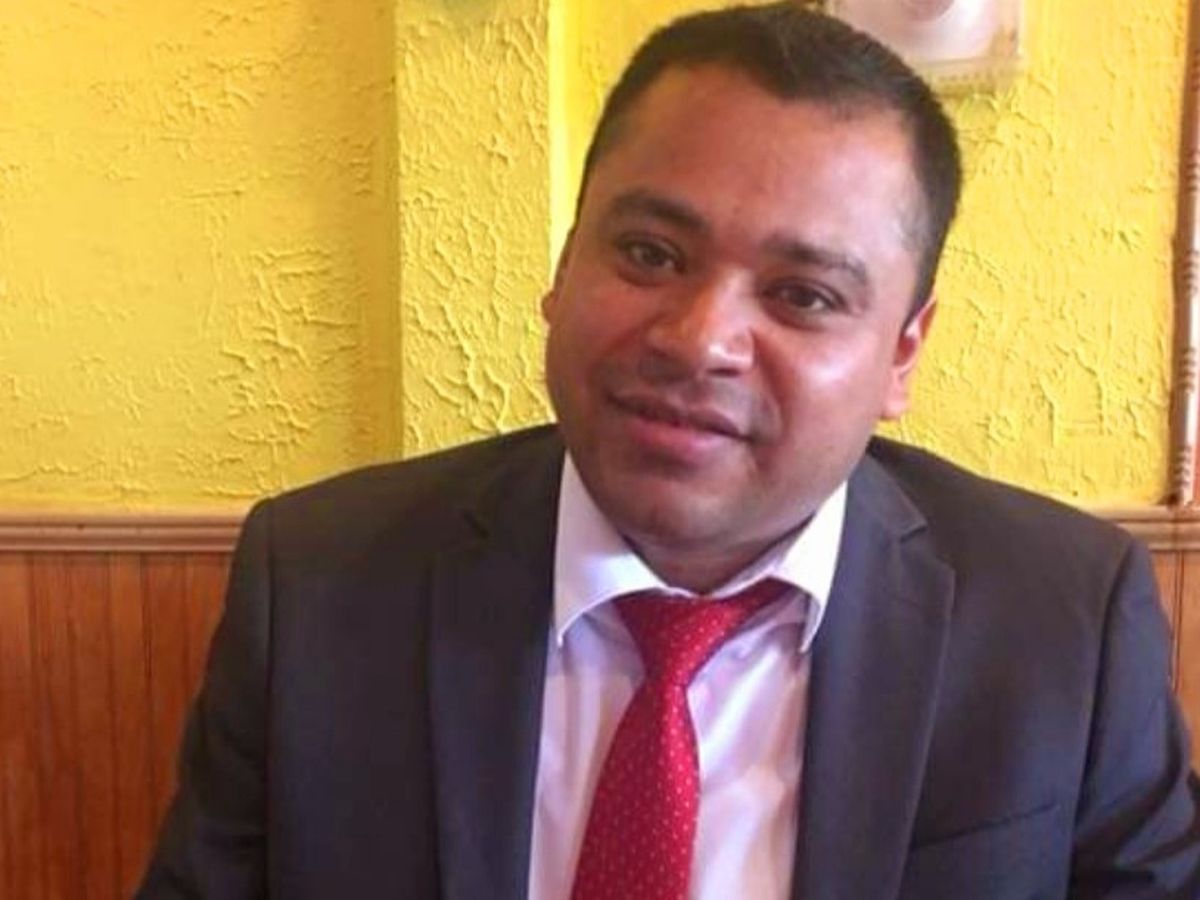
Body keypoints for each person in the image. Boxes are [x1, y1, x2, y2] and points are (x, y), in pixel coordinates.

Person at [137, 4, 1200, 898]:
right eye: (649, 253)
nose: (699, 340)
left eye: (803, 296)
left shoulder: (1062, 619)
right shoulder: (319, 583)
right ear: (564, 267)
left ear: (900, 356)